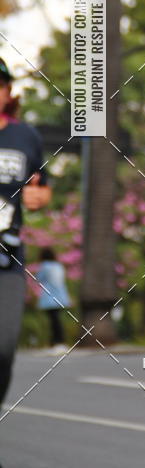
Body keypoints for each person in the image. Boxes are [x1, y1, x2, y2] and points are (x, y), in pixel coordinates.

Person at [0, 57, 52, 414]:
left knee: (4, 347)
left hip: (7, 256)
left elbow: (42, 186)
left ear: (8, 92)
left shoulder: (25, 136)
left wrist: (38, 197)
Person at [35, 247, 70, 352]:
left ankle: (57, 342)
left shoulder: (44, 266)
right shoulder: (59, 266)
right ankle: (58, 341)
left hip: (50, 298)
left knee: (53, 321)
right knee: (57, 320)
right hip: (61, 297)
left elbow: (38, 278)